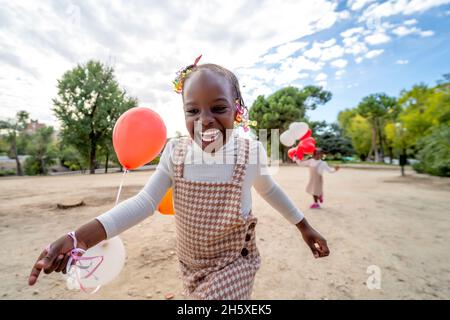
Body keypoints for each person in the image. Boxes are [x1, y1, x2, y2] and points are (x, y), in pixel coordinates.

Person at [28, 56, 330, 300]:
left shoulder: (248, 152)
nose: (205, 119)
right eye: (192, 110)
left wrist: (304, 226)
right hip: (190, 264)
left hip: (234, 262)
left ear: (237, 111)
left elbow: (269, 189)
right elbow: (145, 202)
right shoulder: (176, 153)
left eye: (218, 108)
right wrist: (77, 237)